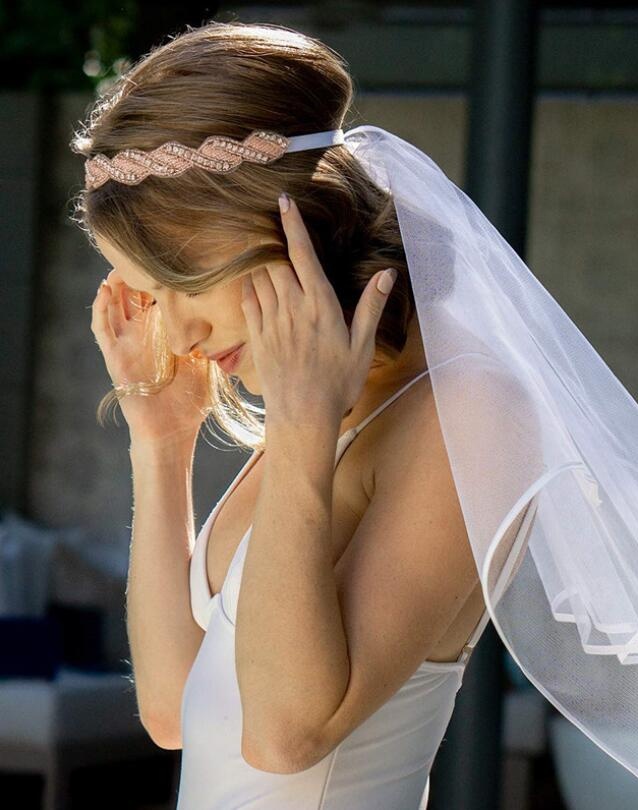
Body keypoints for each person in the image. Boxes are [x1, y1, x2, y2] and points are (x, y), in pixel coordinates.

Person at [76, 20, 489, 809]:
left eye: (184, 287)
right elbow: (173, 711)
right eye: (153, 298)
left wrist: (302, 434)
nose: (180, 333)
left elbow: (282, 735)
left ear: (289, 226)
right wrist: (160, 445)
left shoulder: (464, 414)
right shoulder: (313, 413)